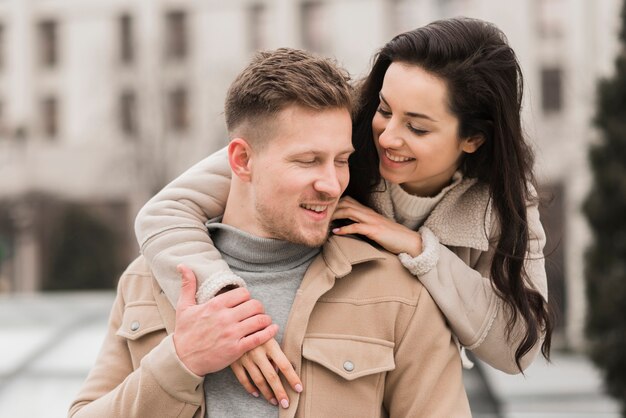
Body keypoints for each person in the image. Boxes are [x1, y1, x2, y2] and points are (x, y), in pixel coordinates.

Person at [135, 17, 553, 406]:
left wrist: (419, 250)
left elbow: (518, 346)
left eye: (418, 127)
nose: (387, 136)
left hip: (419, 383)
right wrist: (226, 308)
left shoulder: (507, 202)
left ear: (474, 139)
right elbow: (166, 211)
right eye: (385, 110)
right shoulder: (334, 133)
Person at [69, 47, 470, 418]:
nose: (332, 184)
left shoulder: (399, 295)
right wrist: (180, 361)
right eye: (309, 161)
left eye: (341, 160)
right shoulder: (146, 281)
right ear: (242, 160)